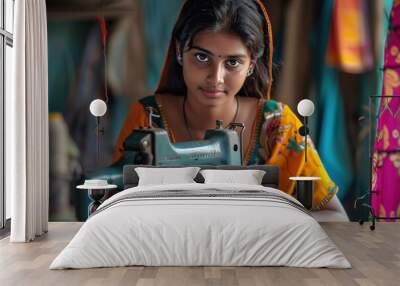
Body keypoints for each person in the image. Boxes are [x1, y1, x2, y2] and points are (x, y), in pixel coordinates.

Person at [112, 0, 338, 210]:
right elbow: (117, 207)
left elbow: (333, 214)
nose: (216, 77)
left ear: (251, 64)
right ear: (180, 51)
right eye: (202, 57)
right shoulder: (146, 117)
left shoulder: (279, 126)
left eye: (233, 62)